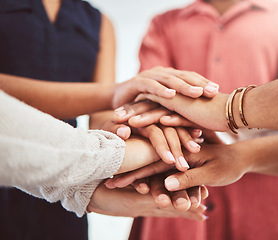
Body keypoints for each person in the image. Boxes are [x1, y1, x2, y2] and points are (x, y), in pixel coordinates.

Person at [0, 0, 217, 239]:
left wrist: (142, 132)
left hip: (70, 179)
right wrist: (114, 96)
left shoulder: (100, 22)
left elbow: (102, 120)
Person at [112, 0, 278, 239]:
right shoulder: (165, 24)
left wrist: (220, 115)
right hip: (171, 207)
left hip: (265, 208)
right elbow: (149, 104)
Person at [0, 89, 208, 221]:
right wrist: (141, 150)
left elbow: (104, 116)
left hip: (67, 189)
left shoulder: (100, 25)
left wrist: (123, 131)